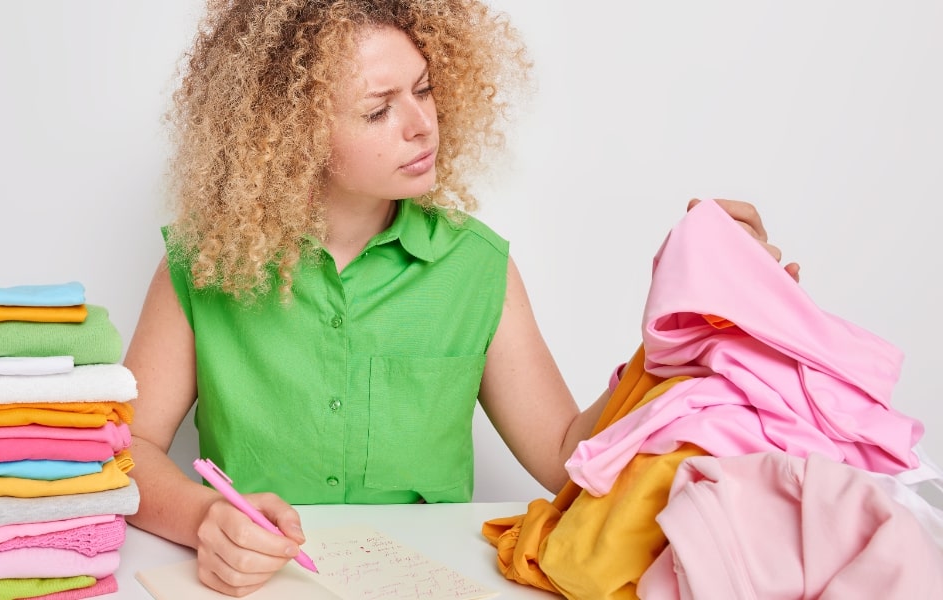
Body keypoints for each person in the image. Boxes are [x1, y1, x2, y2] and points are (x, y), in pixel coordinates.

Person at [122, 0, 800, 596]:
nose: (422, 125)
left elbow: (567, 454)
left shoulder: (478, 267)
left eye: (425, 89)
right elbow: (130, 448)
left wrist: (679, 339)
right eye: (379, 109)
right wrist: (205, 516)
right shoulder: (201, 265)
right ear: (290, 131)